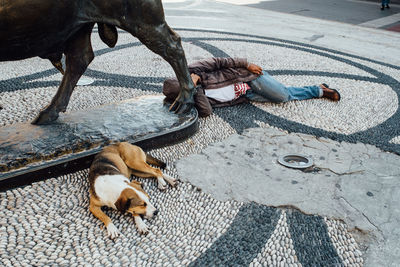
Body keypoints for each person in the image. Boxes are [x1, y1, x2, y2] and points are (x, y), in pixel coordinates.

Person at [163, 57, 340, 117]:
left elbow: (221, 61)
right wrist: (196, 88)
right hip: (246, 95)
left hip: (247, 79)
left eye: (185, 85)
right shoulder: (194, 97)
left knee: (282, 96)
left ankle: (319, 91)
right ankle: (319, 88)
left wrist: (247, 64)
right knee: (283, 95)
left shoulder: (193, 68)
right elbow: (206, 112)